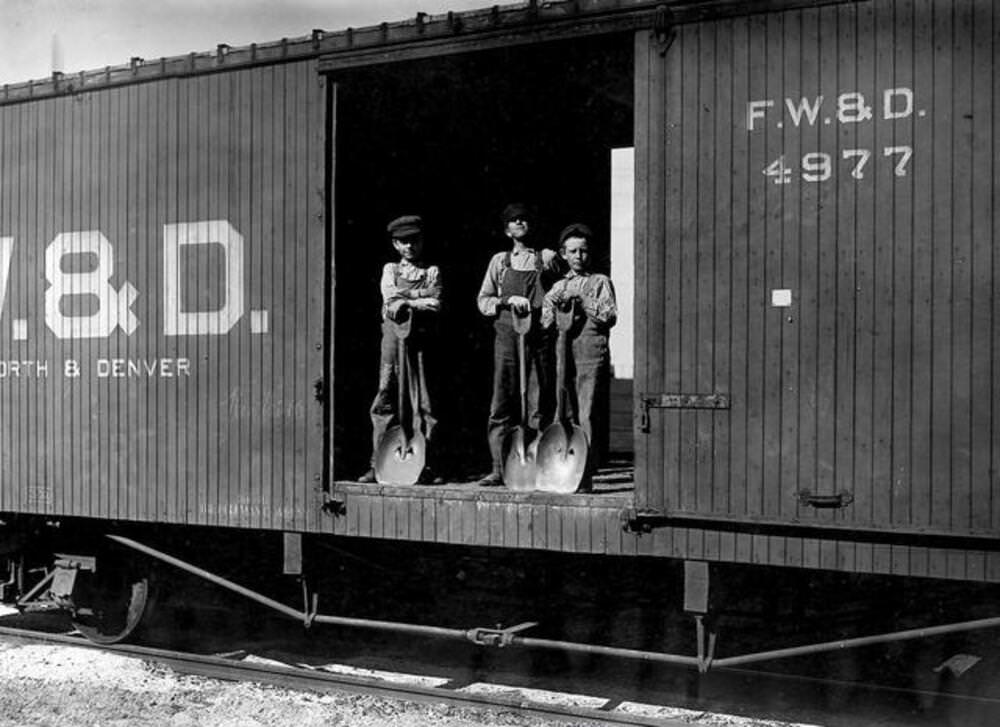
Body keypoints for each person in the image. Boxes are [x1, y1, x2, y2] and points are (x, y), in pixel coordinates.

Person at [476, 202, 561, 487]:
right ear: (506, 229)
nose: (520, 223)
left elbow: (561, 283)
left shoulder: (545, 258)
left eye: (525, 218)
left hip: (538, 337)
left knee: (538, 401)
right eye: (514, 220)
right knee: (502, 400)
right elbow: (483, 300)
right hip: (507, 335)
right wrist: (506, 300)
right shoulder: (499, 262)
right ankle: (499, 468)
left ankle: (538, 467)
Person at [359, 215, 443, 484]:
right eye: (404, 242)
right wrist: (420, 297)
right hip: (393, 344)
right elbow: (389, 298)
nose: (410, 246)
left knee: (424, 403)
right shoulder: (390, 270)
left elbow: (436, 303)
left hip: (421, 344)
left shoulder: (432, 271)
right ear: (396, 244)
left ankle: (425, 464)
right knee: (385, 398)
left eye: (414, 241)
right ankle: (379, 463)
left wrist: (408, 300)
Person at [541, 223, 617, 490]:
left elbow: (609, 315)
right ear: (563, 254)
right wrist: (555, 305)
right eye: (572, 251)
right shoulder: (559, 285)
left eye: (583, 251)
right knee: (566, 407)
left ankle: (585, 473)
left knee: (587, 411)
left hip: (591, 349)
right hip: (564, 350)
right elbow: (545, 319)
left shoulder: (600, 282)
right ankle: (563, 469)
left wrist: (583, 299)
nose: (578, 256)